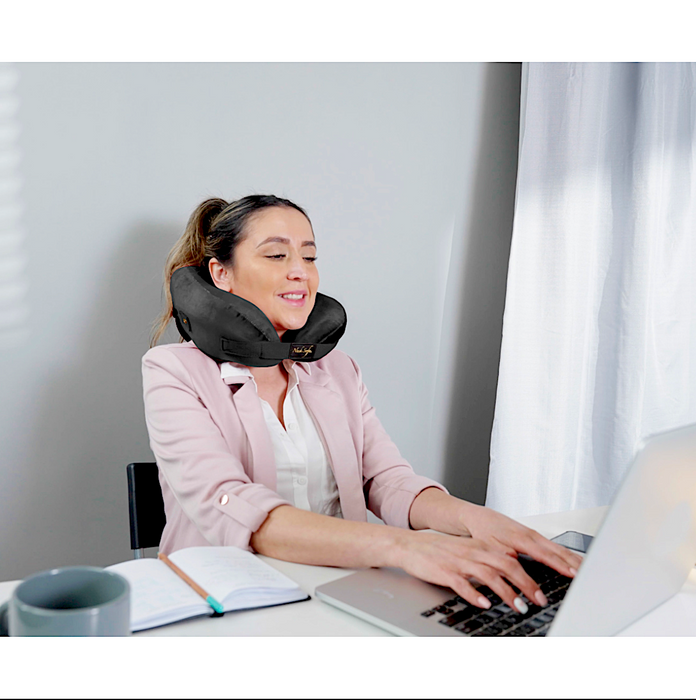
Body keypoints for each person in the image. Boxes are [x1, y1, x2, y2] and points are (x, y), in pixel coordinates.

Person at [143, 194, 581, 615]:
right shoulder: (171, 371)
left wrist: (475, 519)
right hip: (229, 603)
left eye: (309, 257)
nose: (301, 272)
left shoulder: (338, 370)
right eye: (277, 256)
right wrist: (404, 547)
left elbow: (386, 479)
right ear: (221, 274)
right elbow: (234, 503)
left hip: (340, 592)